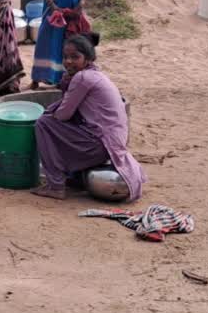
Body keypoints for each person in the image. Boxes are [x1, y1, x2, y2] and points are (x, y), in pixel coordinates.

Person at [32, 33, 145, 200]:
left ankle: (55, 185)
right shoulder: (95, 74)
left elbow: (63, 115)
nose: (68, 61)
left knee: (44, 123)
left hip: (101, 145)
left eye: (75, 57)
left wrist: (49, 112)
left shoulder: (82, 77)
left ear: (88, 59)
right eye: (65, 57)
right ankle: (75, 177)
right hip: (112, 144)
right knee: (68, 123)